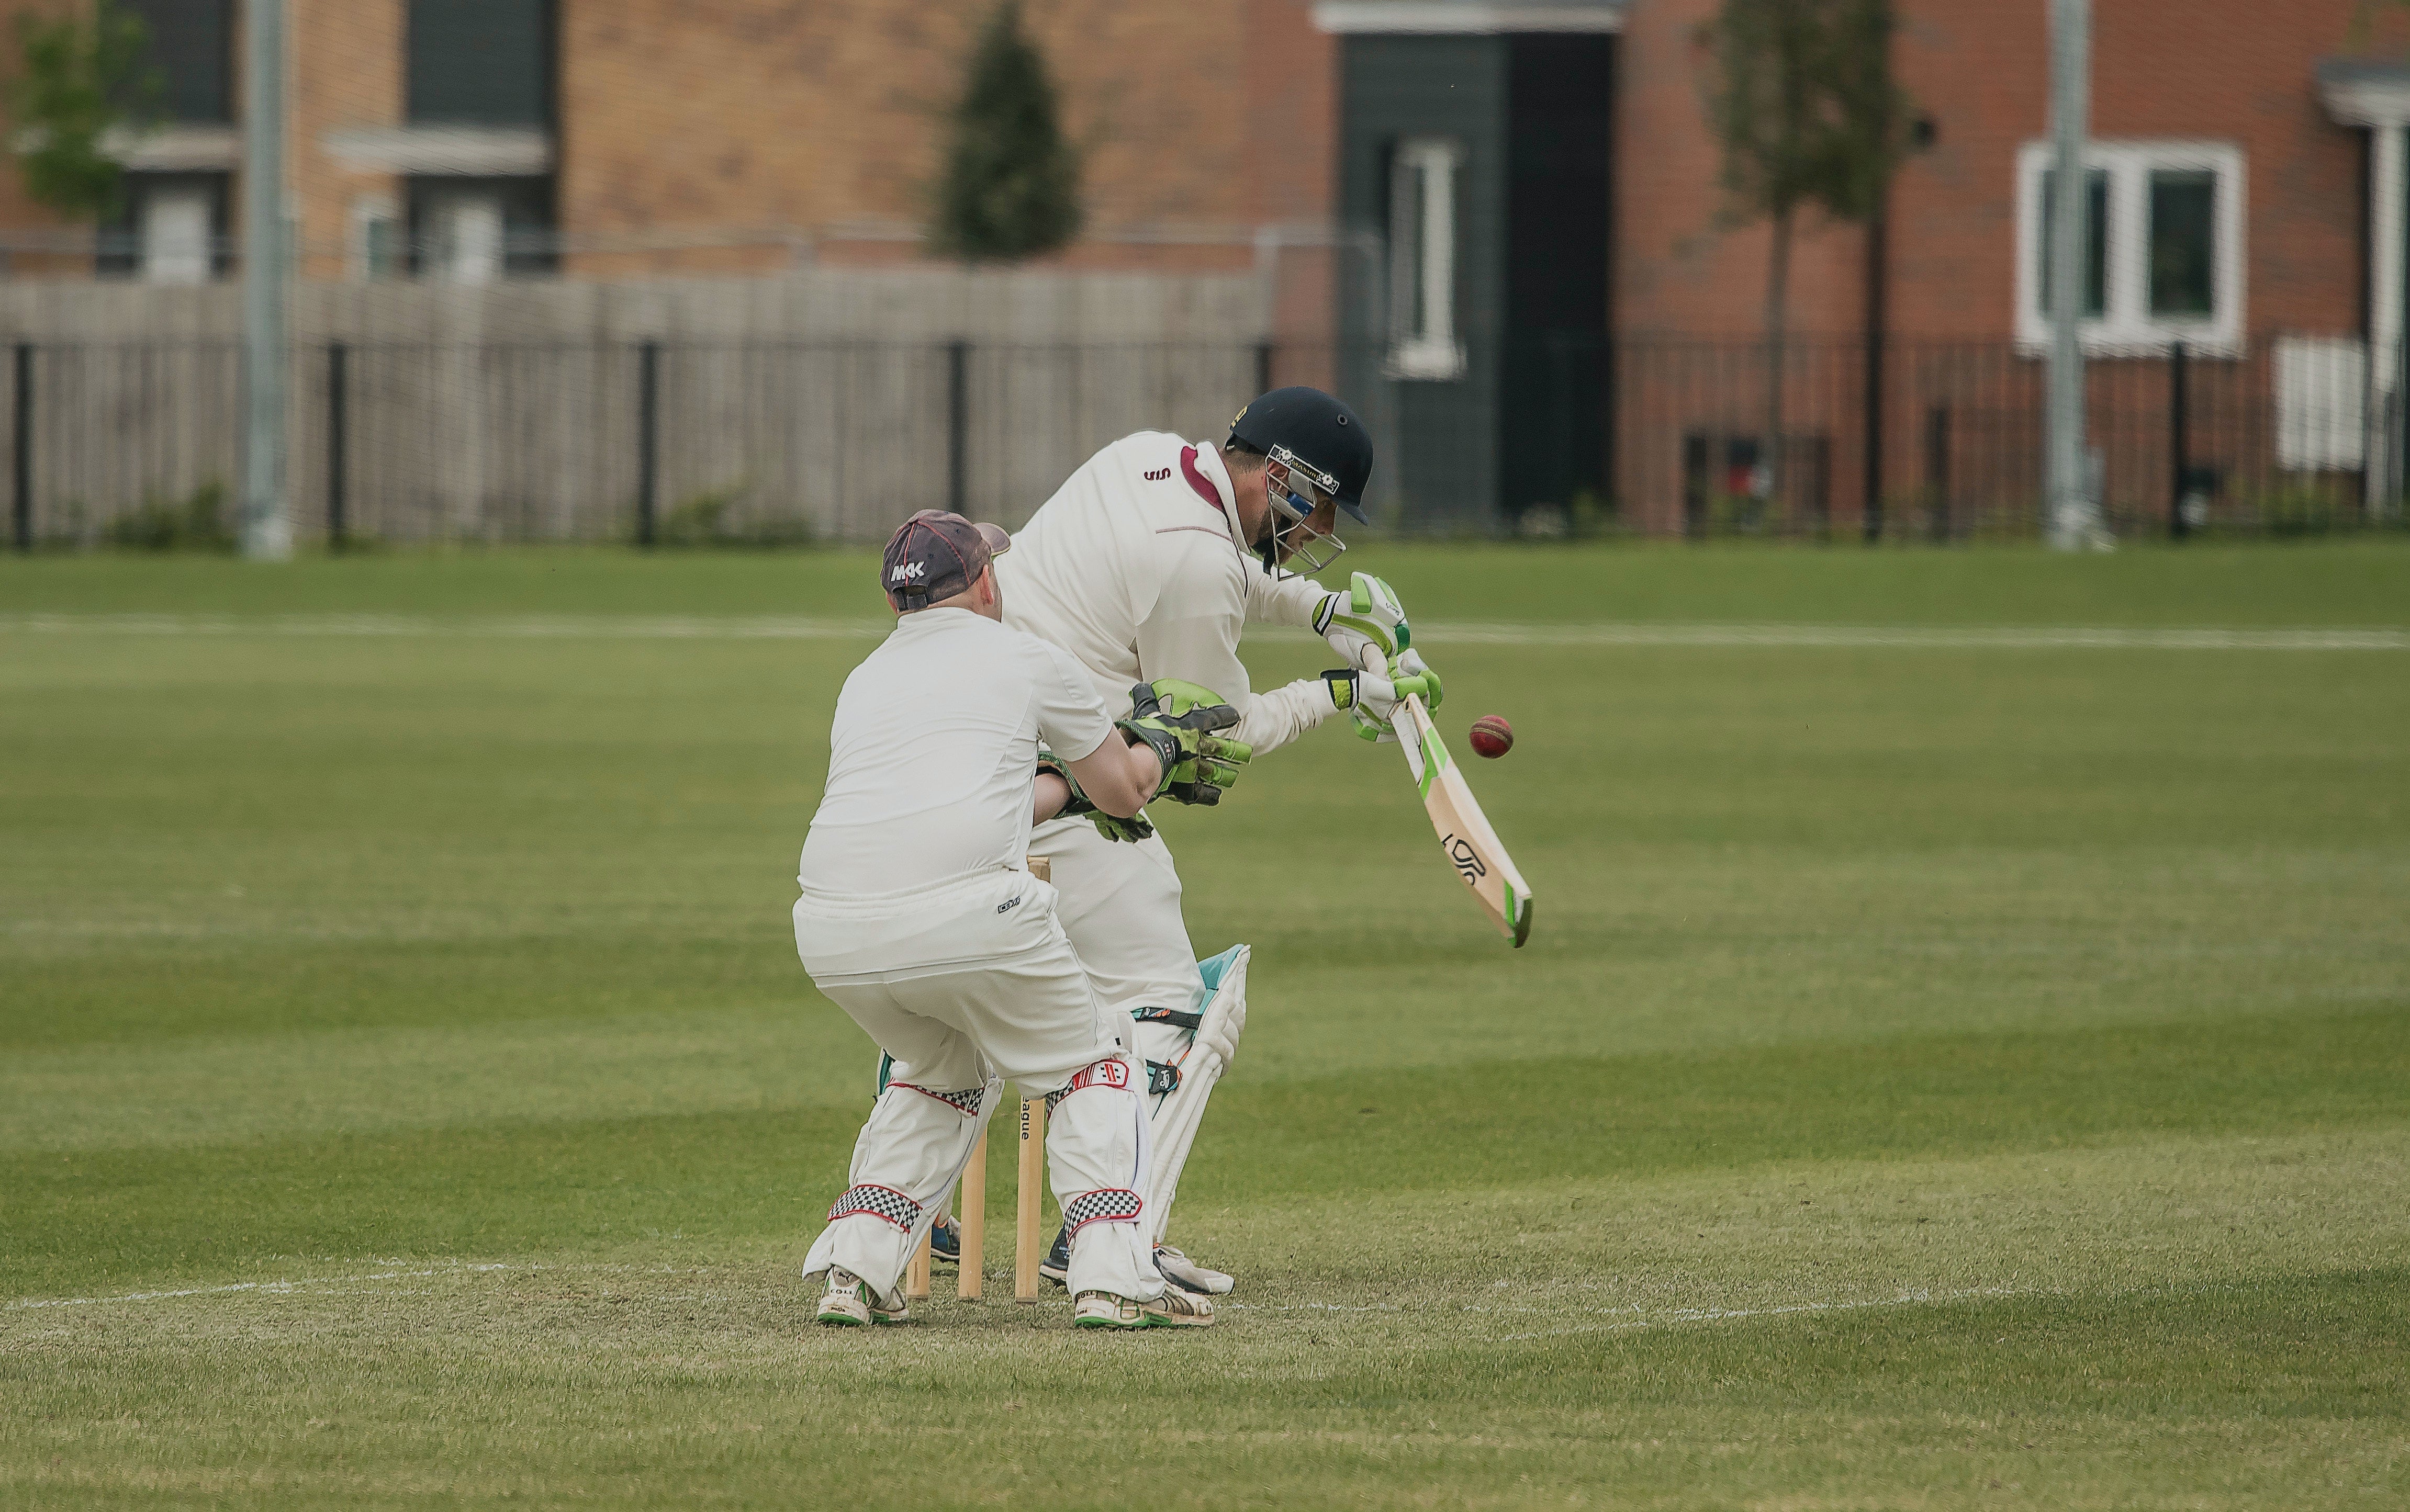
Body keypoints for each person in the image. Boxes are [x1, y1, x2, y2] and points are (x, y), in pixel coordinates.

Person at [979, 386, 1440, 1295]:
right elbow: (1213, 730)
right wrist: (1343, 694)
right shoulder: (1197, 562)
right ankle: (1113, 1239)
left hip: (976, 772)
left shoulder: (1147, 455)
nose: (1317, 533)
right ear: (1283, 481)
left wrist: (1327, 616)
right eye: (1320, 512)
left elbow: (1232, 568)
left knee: (979, 996)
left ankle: (914, 1217)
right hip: (1070, 790)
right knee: (1180, 1007)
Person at [793, 509, 1249, 1329]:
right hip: (970, 913)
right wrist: (1161, 744)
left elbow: (1004, 801)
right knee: (1093, 1060)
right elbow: (1122, 789)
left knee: (940, 1072)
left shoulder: (864, 678)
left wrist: (1073, 781)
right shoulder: (1026, 655)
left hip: (831, 932)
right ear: (983, 583)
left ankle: (854, 1270)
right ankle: (1114, 1277)